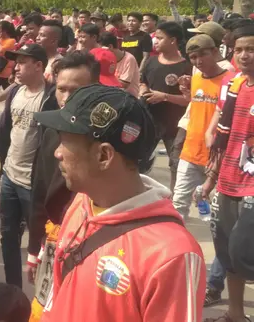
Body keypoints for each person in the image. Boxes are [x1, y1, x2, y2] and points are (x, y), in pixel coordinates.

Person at [34, 85, 206, 322]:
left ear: (104, 156)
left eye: (65, 142)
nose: (57, 153)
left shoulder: (171, 255)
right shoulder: (82, 203)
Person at [26, 52, 100, 321]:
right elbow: (40, 193)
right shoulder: (49, 132)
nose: (67, 97)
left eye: (76, 90)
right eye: (61, 89)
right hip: (54, 238)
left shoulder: (106, 141)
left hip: (91, 244)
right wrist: (34, 249)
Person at [201, 24, 254, 322]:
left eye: (251, 50)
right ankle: (235, 314)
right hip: (228, 179)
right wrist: (212, 176)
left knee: (247, 254)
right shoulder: (234, 85)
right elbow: (223, 120)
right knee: (229, 256)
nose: (244, 56)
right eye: (239, 50)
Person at [0, 44, 57, 288]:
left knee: (40, 241)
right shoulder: (15, 92)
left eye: (22, 62)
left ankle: (44, 292)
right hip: (11, 177)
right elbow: (6, 130)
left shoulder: (51, 97)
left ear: (39, 66)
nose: (16, 67)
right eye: (16, 62)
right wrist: (3, 166)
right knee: (8, 236)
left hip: (33, 184)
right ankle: (14, 289)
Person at [171, 34, 233, 220]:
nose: (198, 61)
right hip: (190, 152)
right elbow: (198, 104)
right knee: (178, 202)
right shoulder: (196, 78)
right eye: (193, 57)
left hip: (217, 156)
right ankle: (177, 245)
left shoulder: (231, 81)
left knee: (218, 209)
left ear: (215, 52)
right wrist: (187, 92)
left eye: (202, 55)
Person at [140, 21, 191, 189]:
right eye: (156, 37)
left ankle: (174, 201)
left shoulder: (186, 66)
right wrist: (144, 91)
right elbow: (143, 82)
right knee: (139, 160)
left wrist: (165, 97)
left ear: (173, 40)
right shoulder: (151, 62)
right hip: (150, 121)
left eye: (160, 38)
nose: (156, 41)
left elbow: (189, 100)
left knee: (176, 164)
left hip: (174, 125)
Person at [99, 33, 140, 97]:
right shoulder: (106, 59)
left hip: (129, 98)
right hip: (113, 95)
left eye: (101, 49)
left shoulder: (129, 59)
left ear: (110, 47)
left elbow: (124, 84)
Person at [0, 21, 17, 90]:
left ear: (5, 31)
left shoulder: (11, 41)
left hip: (5, 74)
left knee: (8, 95)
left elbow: (0, 52)